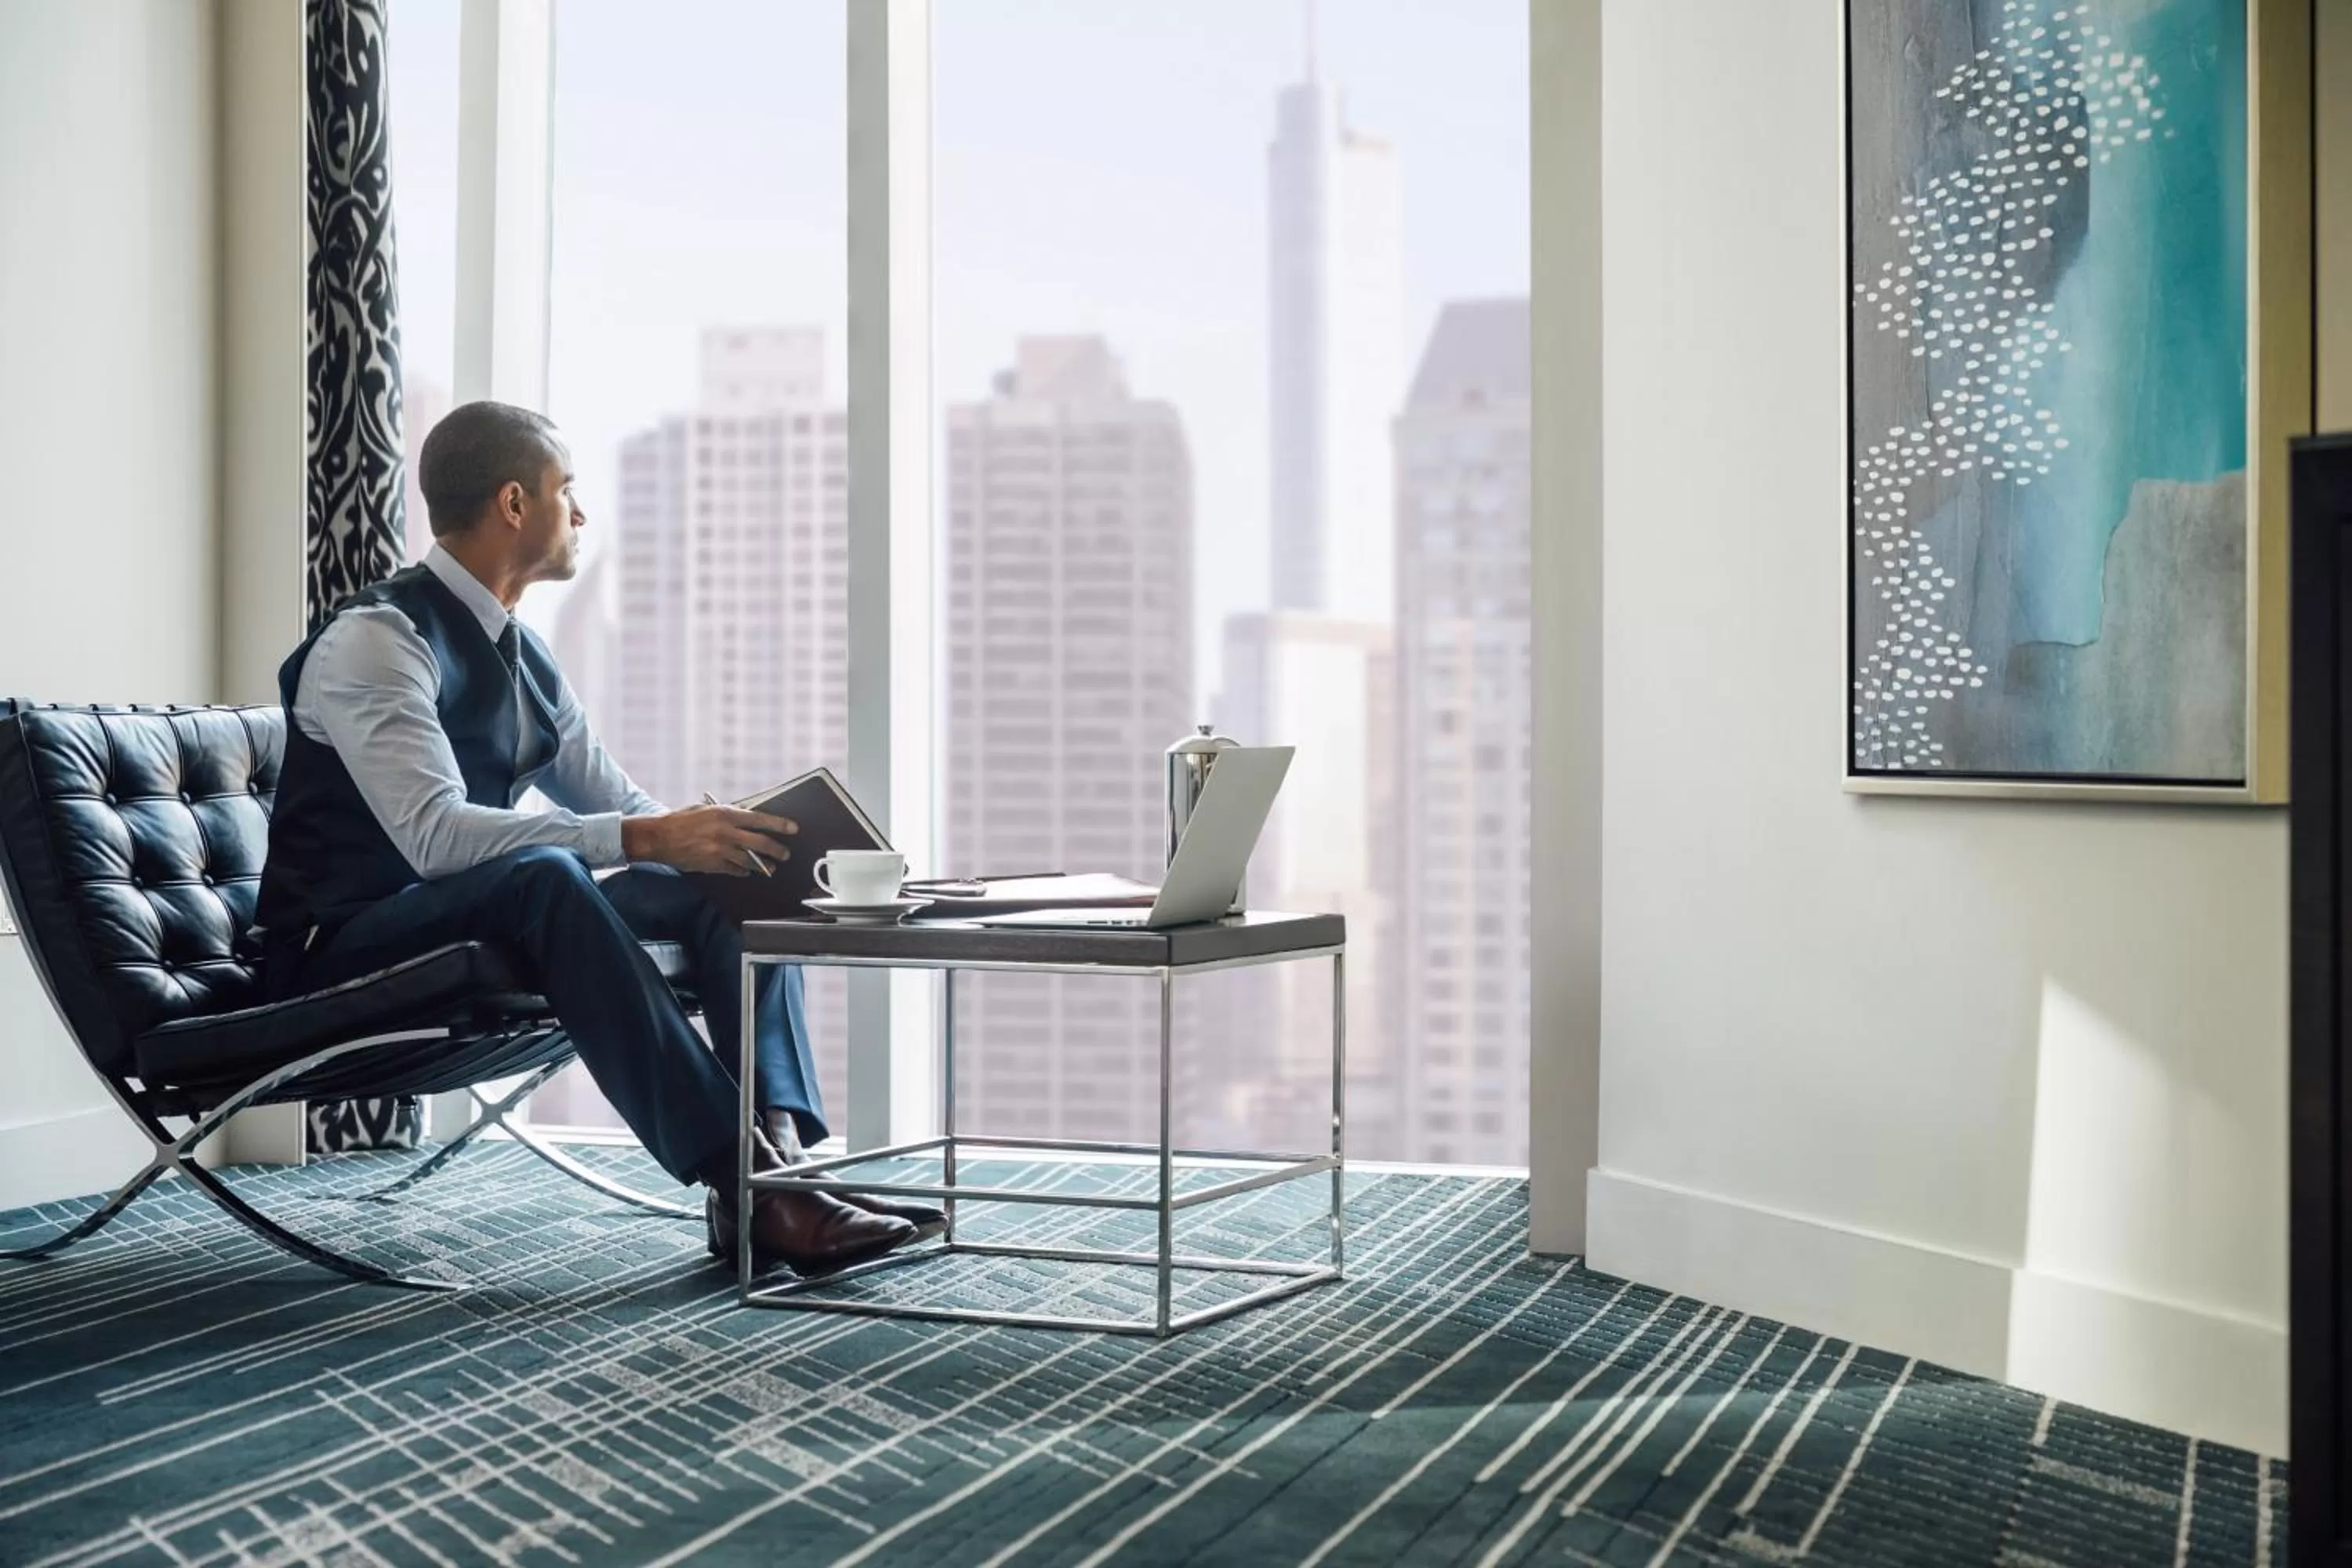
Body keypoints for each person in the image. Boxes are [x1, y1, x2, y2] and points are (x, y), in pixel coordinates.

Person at [256, 399, 942, 1276]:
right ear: (514, 503)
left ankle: (777, 1173)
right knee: (547, 873)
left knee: (717, 873)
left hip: (463, 915)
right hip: (337, 940)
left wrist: (703, 840)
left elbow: (619, 806)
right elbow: (434, 838)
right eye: (565, 488)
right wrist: (648, 834)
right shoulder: (379, 640)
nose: (580, 512)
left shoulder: (525, 656)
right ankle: (757, 1183)